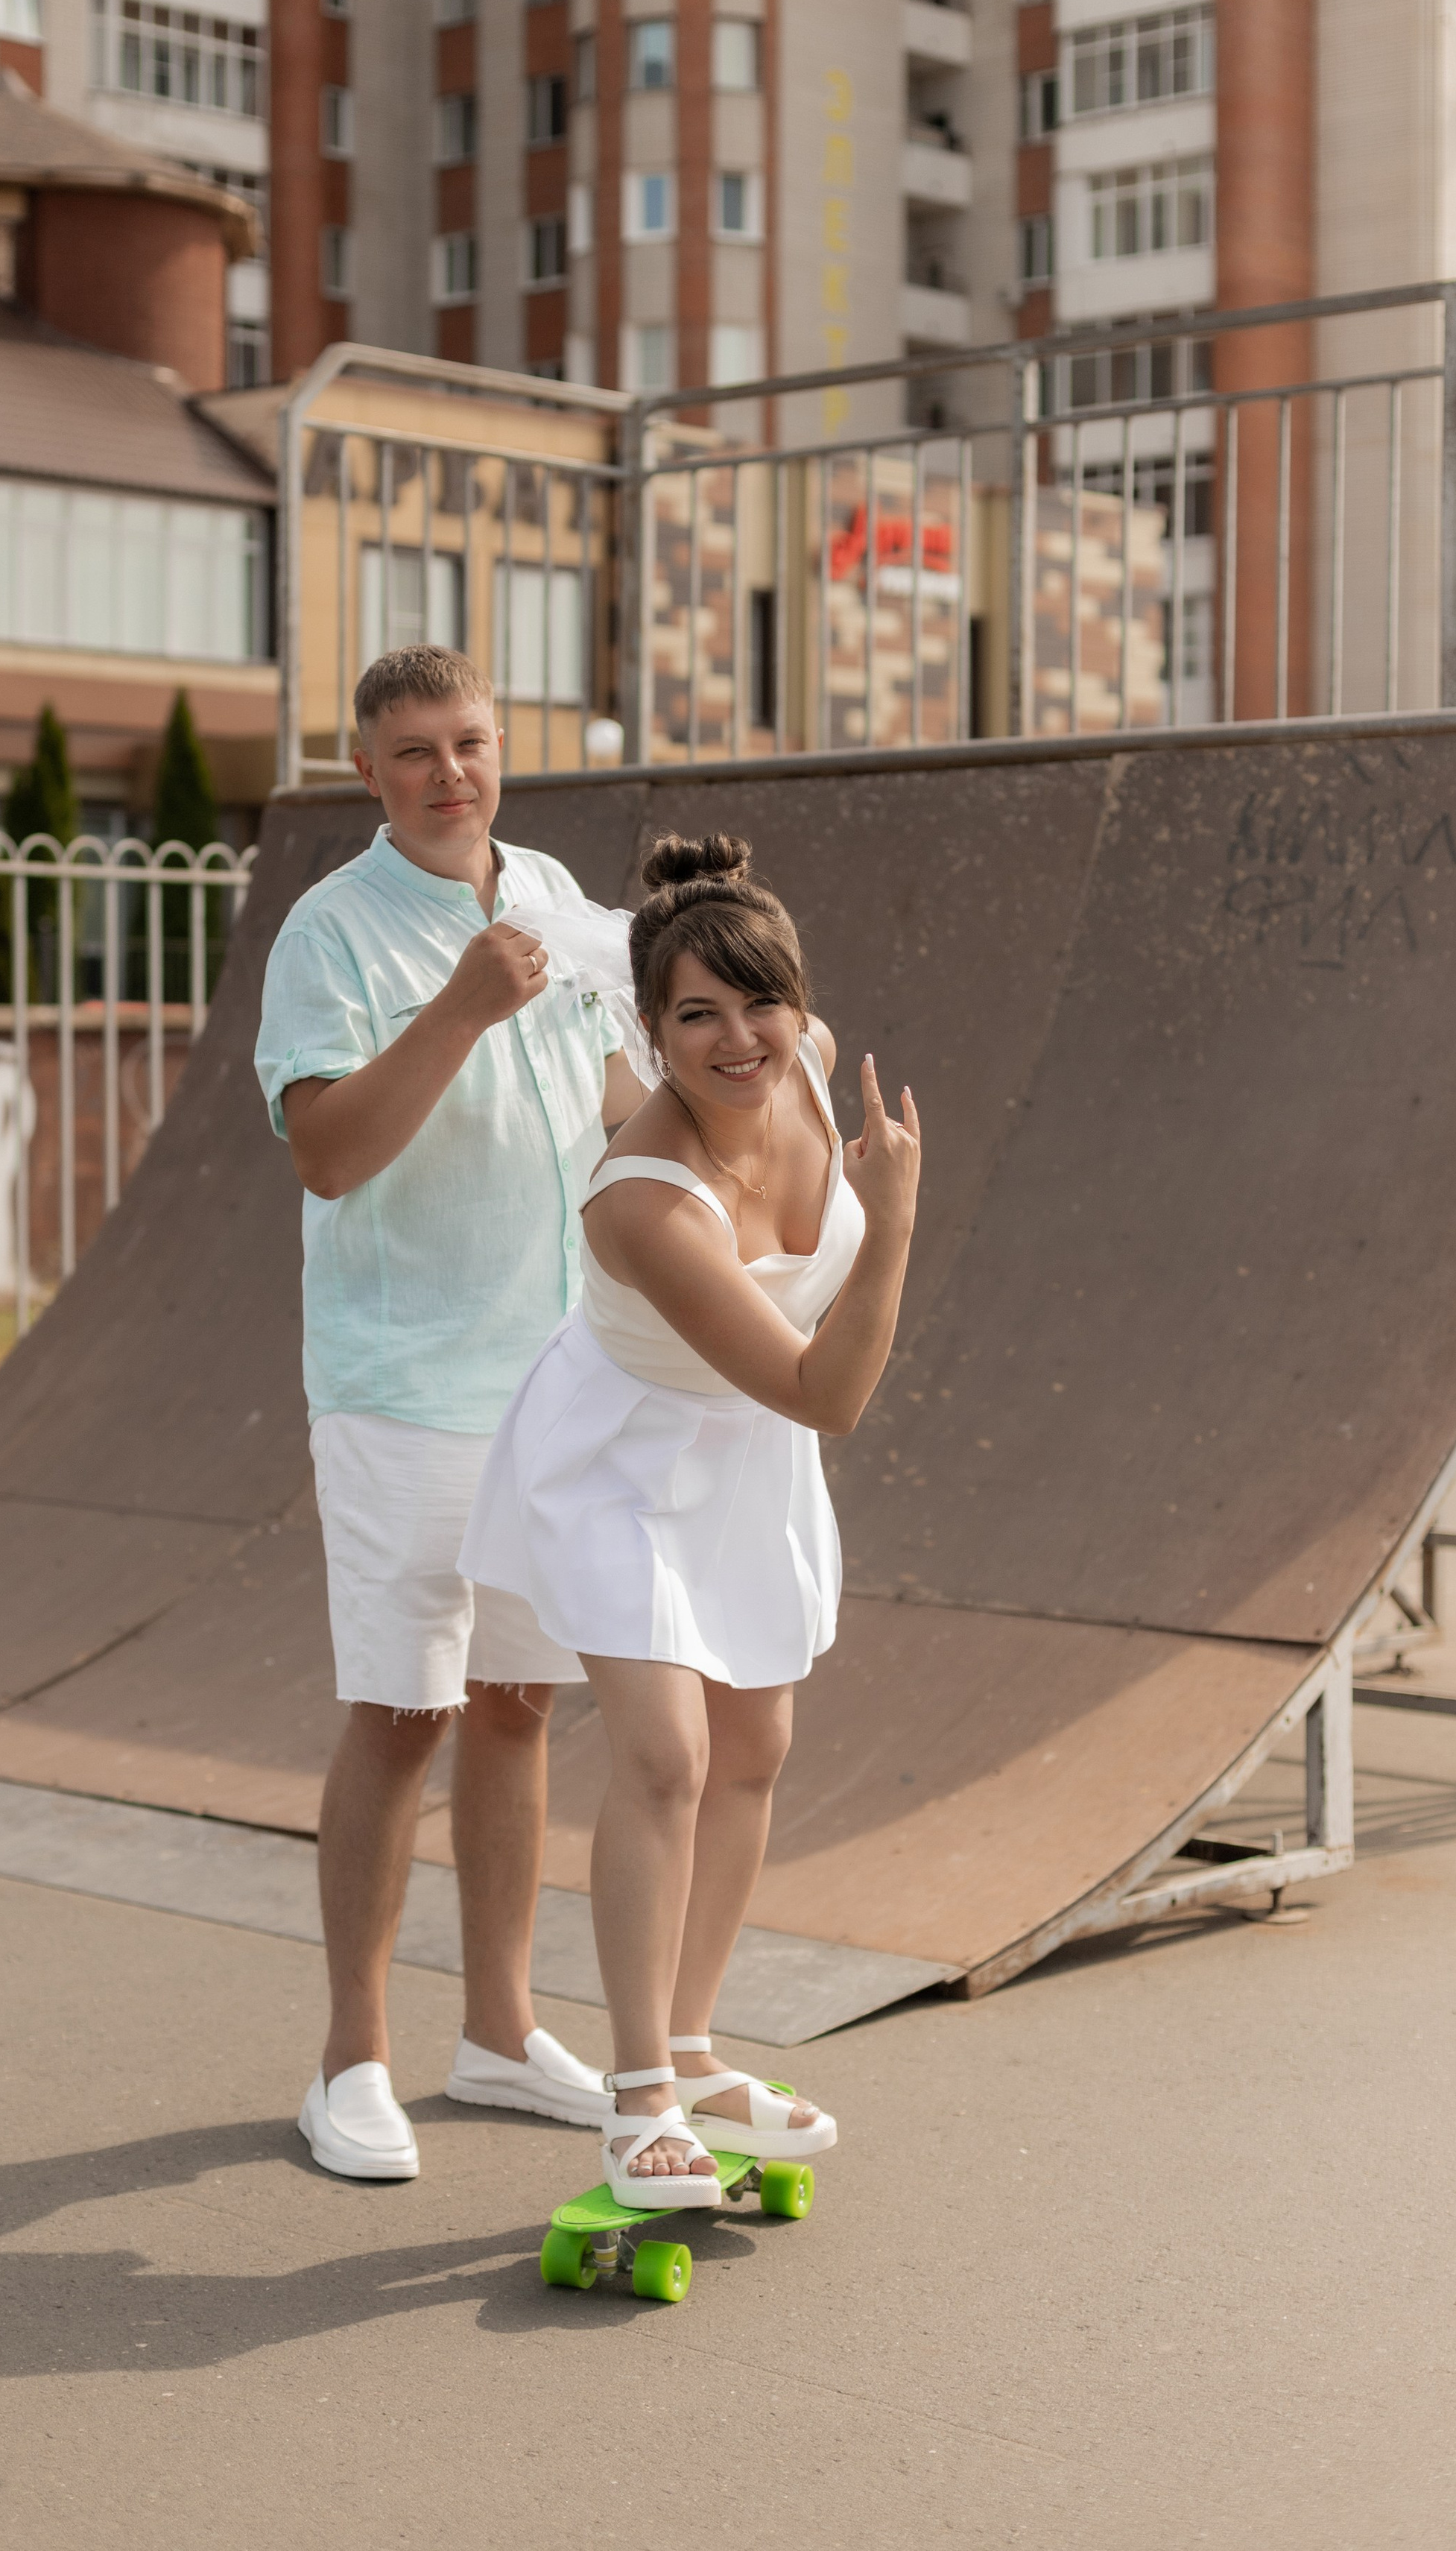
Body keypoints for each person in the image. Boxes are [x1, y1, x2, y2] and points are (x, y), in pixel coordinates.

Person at [461, 833, 921, 2209]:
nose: (741, 1040)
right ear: (650, 1037)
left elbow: (791, 1413)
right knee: (662, 1752)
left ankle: (701, 2046)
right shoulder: (641, 1202)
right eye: (698, 1017)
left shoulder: (807, 1058)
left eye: (760, 1004)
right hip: (619, 1460)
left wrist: (752, 969)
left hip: (747, 1463)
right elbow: (823, 1393)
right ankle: (638, 2094)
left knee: (755, 1747)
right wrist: (892, 1220)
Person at [253, 643, 644, 2181]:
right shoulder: (330, 930)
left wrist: (752, 1083)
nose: (448, 775)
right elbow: (327, 1155)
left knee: (518, 1704)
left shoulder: (545, 888)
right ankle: (352, 2055)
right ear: (367, 770)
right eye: (412, 751)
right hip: (404, 1383)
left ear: (502, 750)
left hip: (558, 1377)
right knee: (402, 1712)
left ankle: (495, 2033)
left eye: (469, 744)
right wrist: (463, 1011)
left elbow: (619, 1102)